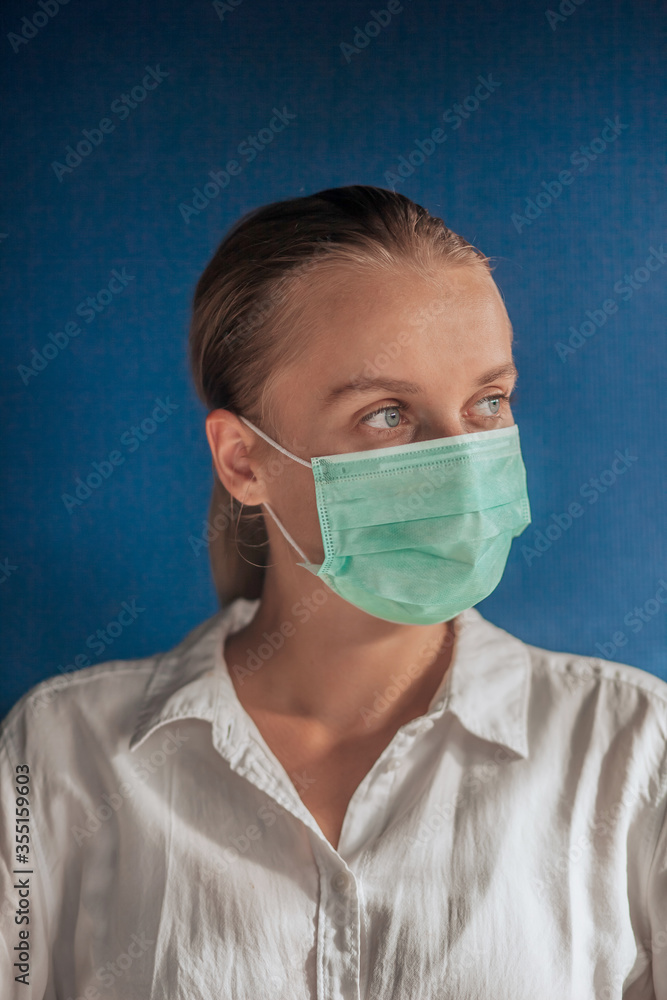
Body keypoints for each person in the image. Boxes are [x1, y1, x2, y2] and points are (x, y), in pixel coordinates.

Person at [0, 185, 665, 999]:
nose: (460, 458)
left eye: (488, 401)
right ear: (244, 460)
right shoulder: (56, 755)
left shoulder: (631, 751)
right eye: (386, 414)